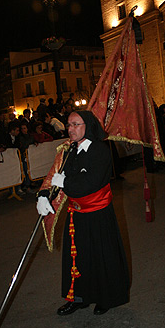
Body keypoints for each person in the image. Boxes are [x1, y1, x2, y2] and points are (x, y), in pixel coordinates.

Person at [36, 111, 130, 316]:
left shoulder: (101, 150)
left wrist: (65, 183)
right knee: (77, 258)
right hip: (76, 214)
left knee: (100, 256)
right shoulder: (68, 150)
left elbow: (90, 183)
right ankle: (78, 298)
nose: (70, 129)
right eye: (68, 125)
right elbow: (54, 173)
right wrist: (43, 195)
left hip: (98, 213)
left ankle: (106, 298)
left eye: (75, 124)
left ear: (87, 125)